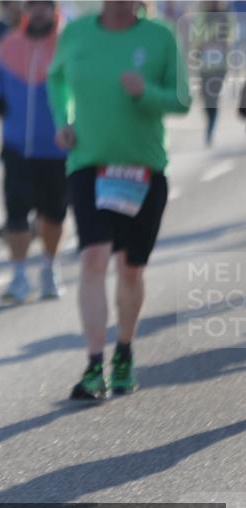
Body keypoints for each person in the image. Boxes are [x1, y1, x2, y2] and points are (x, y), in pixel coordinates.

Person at [48, 0, 190, 399]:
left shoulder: (159, 36)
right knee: (93, 257)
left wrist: (146, 92)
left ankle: (124, 351)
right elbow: (54, 79)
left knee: (130, 270)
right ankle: (94, 364)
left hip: (142, 168)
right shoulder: (76, 35)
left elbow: (182, 99)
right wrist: (63, 121)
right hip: (89, 164)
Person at [0, 0, 69, 303]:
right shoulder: (10, 43)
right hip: (15, 147)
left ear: (54, 9)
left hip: (56, 147)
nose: (37, 11)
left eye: (44, 5)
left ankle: (49, 269)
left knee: (53, 216)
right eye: (32, 5)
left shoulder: (66, 44)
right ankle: (19, 275)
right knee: (15, 215)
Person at [191, 1, 234, 146]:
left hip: (219, 66)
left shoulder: (224, 15)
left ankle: (210, 129)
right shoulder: (202, 15)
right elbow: (196, 37)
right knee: (205, 98)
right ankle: (209, 123)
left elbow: (230, 37)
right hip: (204, 66)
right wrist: (198, 49)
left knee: (213, 98)